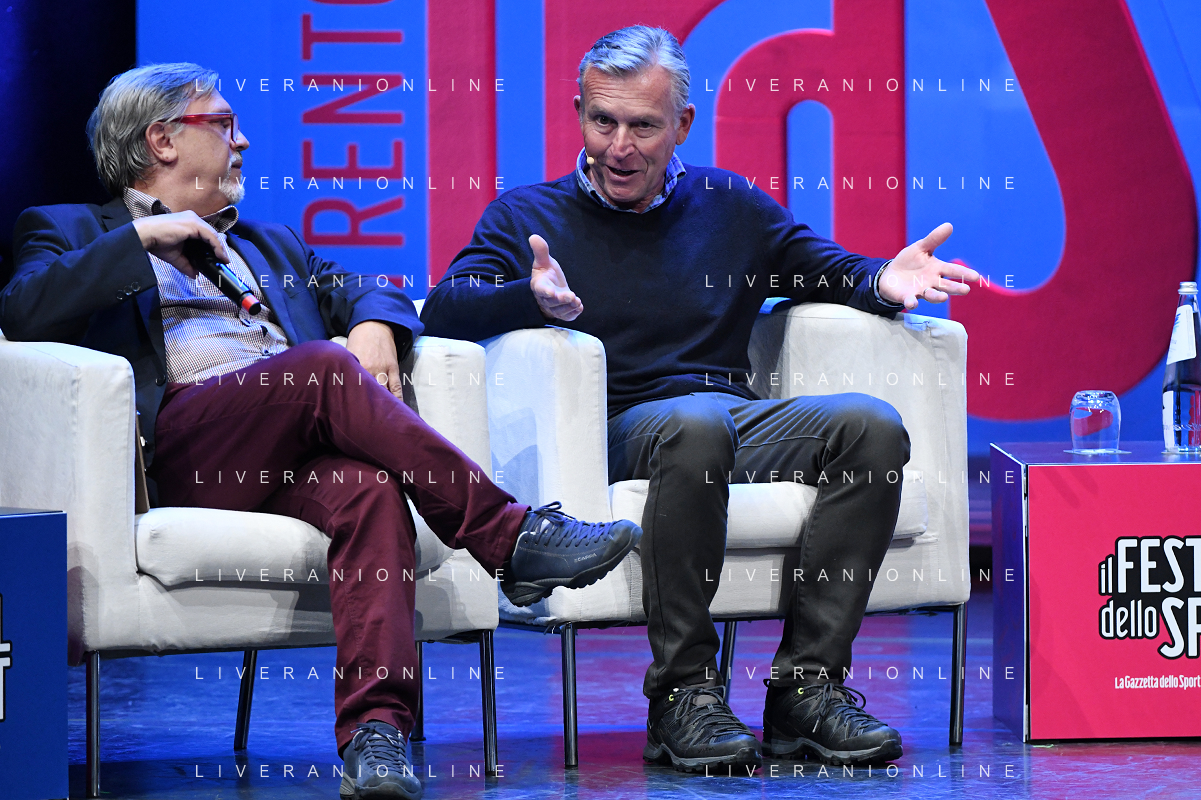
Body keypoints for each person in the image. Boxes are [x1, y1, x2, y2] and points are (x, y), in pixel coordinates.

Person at [0, 63, 643, 800]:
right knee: (322, 368)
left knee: (369, 491)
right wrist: (143, 239)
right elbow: (23, 308)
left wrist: (373, 325)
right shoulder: (72, 229)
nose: (243, 141)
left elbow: (374, 289)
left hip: (286, 448)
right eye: (224, 124)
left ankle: (376, 738)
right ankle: (508, 535)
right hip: (185, 450)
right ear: (162, 140)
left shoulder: (270, 244)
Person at [420, 26, 979, 773]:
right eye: (602, 121)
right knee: (696, 425)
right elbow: (445, 309)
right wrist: (526, 297)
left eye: (643, 126)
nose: (619, 147)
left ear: (682, 124)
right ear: (578, 112)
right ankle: (682, 692)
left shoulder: (728, 206)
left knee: (870, 429)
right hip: (615, 427)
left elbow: (824, 268)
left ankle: (806, 689)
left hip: (727, 417)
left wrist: (883, 279)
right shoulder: (528, 218)